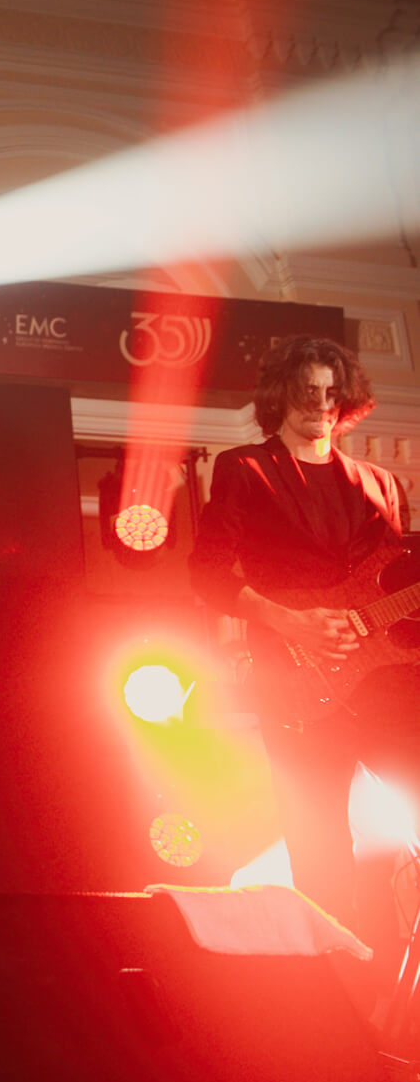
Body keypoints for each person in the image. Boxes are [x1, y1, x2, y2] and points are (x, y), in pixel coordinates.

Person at [189, 336, 418, 967]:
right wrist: (289, 622)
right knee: (320, 847)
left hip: (383, 683)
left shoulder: (379, 483)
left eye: (331, 393)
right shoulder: (246, 469)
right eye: (307, 391)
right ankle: (336, 981)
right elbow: (207, 572)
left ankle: (393, 973)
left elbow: (392, 585)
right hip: (296, 682)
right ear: (281, 395)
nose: (320, 404)